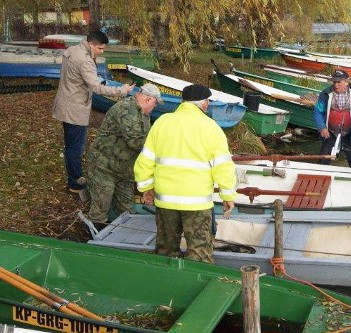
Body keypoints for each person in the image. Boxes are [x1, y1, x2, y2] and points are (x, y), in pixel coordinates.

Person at [134, 84, 237, 263]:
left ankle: (165, 284)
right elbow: (223, 167)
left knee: (165, 252)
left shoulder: (162, 122)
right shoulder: (211, 127)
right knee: (199, 255)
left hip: (166, 201)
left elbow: (145, 161)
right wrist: (227, 195)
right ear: (204, 103)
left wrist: (147, 188)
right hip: (196, 203)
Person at [52, 30, 134, 195]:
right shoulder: (85, 60)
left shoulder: (73, 50)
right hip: (75, 109)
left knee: (70, 145)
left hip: (65, 103)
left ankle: (73, 179)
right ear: (91, 44)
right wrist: (122, 90)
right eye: (101, 48)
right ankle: (76, 183)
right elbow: (96, 87)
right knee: (76, 148)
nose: (102, 52)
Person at [86, 84, 164, 228]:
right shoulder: (127, 110)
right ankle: (93, 243)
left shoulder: (142, 114)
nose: (155, 107)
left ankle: (122, 237)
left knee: (126, 210)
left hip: (124, 171)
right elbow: (136, 142)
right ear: (147, 99)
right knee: (100, 210)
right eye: (155, 103)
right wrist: (164, 150)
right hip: (104, 167)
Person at [313, 70, 351, 168]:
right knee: (323, 161)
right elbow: (317, 112)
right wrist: (322, 127)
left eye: (339, 82)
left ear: (347, 81)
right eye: (334, 82)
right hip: (331, 132)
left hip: (350, 133)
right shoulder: (325, 93)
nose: (336, 85)